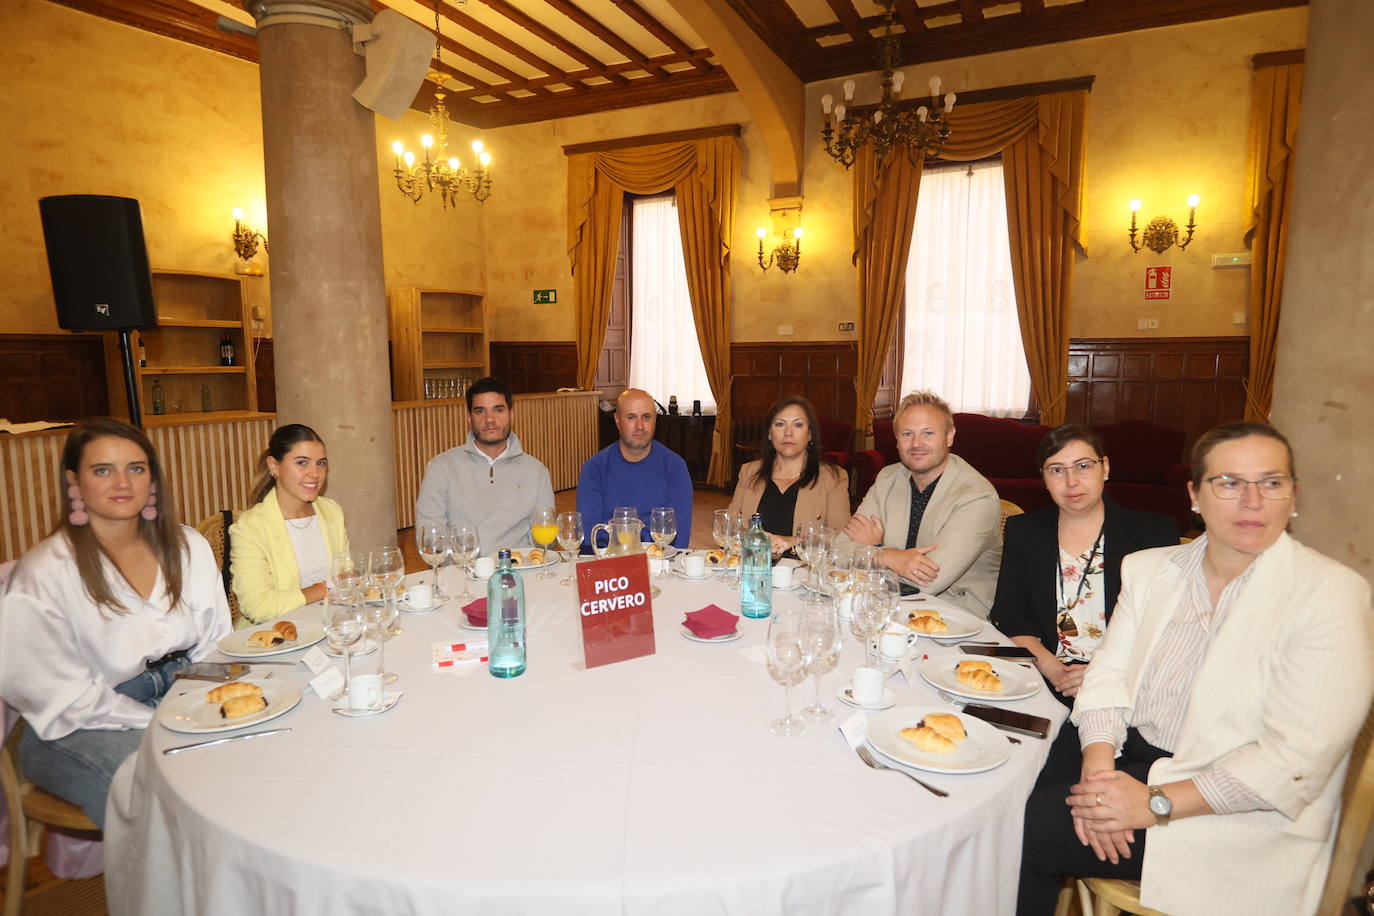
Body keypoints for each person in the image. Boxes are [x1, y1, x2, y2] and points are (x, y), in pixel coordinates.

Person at [1017, 422, 1374, 916]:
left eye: (1271, 483)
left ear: (1293, 496)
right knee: (1010, 792)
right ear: (1194, 495)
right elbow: (1108, 674)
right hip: (1130, 749)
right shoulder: (1151, 570)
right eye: (1228, 483)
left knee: (1030, 828)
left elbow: (1293, 763)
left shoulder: (1331, 596)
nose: (1252, 501)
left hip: (1231, 799)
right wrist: (1099, 772)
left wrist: (1152, 803)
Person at [0, 419, 230, 828]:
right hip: (77, 726)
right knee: (170, 787)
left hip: (182, 689)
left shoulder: (186, 546)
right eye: (103, 469)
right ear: (75, 480)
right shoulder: (46, 573)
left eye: (136, 468)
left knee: (260, 752)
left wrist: (223, 701)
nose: (122, 482)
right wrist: (166, 722)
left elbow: (214, 645)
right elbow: (65, 701)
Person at [991, 424, 1177, 704]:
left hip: (1128, 681)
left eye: (1083, 466)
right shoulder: (1024, 531)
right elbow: (1010, 616)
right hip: (1045, 676)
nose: (1071, 482)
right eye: (1056, 470)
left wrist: (1101, 673)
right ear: (1043, 478)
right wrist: (1054, 670)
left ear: (1105, 468)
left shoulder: (1152, 534)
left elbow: (1165, 630)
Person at [841, 390, 1001, 616]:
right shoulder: (888, 478)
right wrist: (888, 557)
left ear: (949, 436)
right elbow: (839, 549)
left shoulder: (976, 496)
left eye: (928, 433)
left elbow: (928, 582)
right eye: (907, 434)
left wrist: (875, 550)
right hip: (886, 607)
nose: (916, 443)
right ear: (896, 440)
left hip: (954, 620)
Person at [229, 423, 350, 628]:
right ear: (274, 466)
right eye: (302, 463)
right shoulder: (249, 528)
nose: (314, 474)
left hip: (329, 627)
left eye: (321, 463)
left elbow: (347, 577)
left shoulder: (331, 511)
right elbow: (258, 607)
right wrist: (323, 588)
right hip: (275, 639)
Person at [415, 376, 554, 553]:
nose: (489, 419)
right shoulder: (441, 467)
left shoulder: (536, 471)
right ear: (469, 419)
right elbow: (428, 535)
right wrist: (465, 566)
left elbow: (544, 540)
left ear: (511, 415)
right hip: (461, 571)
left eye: (498, 410)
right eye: (480, 411)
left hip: (519, 570)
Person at [727, 395, 849, 555]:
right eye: (780, 424)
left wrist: (793, 541)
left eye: (798, 425)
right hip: (754, 570)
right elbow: (731, 530)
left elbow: (842, 539)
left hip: (805, 573)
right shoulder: (749, 472)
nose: (788, 433)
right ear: (770, 434)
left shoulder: (833, 478)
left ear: (810, 434)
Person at [576, 388, 692, 548]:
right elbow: (589, 535)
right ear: (617, 420)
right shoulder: (594, 468)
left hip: (661, 564)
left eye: (646, 417)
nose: (639, 426)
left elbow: (679, 536)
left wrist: (621, 533)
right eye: (631, 417)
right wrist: (645, 536)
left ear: (655, 419)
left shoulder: (675, 467)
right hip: (607, 563)